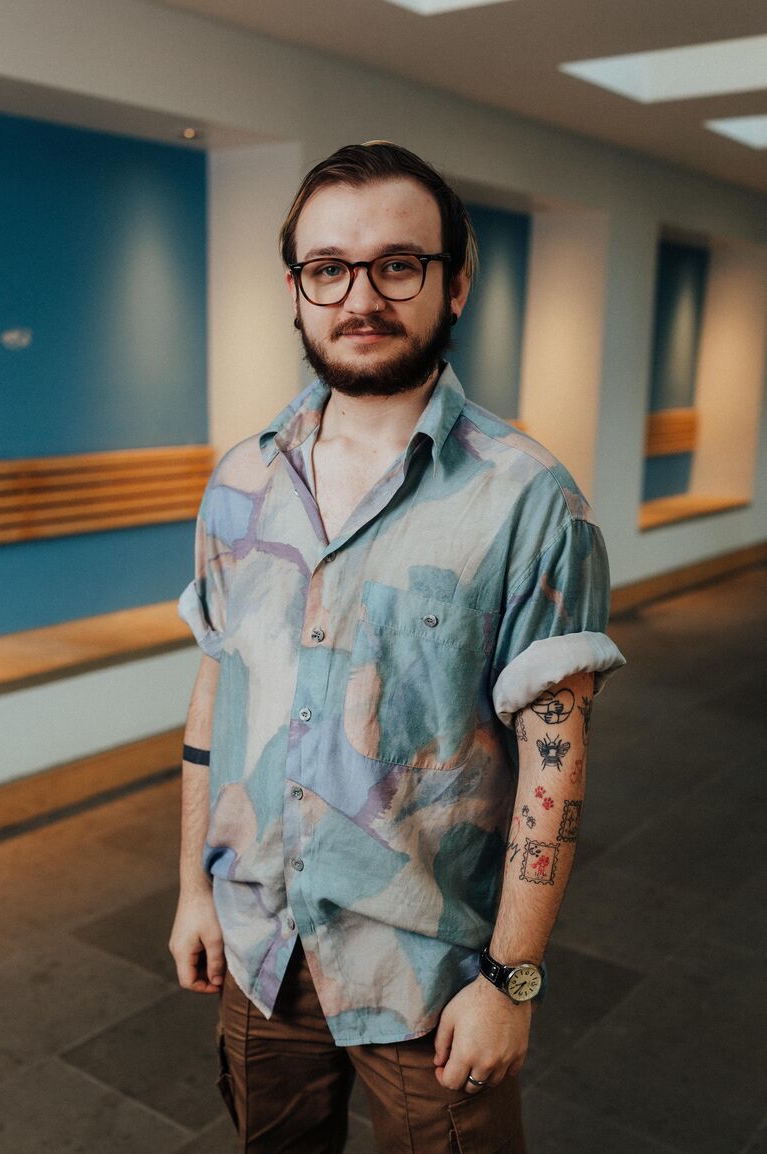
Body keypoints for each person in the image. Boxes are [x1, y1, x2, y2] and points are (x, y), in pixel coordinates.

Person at [169, 141, 625, 1154]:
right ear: (295, 289)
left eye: (397, 264)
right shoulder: (241, 479)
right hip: (262, 938)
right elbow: (218, 685)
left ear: (454, 282)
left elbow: (557, 761)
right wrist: (196, 886)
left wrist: (513, 981)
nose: (359, 295)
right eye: (327, 268)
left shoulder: (529, 499)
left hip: (430, 972)